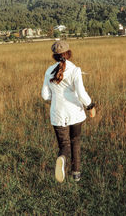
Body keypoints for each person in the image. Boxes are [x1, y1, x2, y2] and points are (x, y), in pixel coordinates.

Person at [41, 41, 96, 183]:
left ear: (55, 56)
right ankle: (76, 174)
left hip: (57, 114)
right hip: (75, 113)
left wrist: (56, 96)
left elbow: (45, 95)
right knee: (75, 142)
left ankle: (62, 158)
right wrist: (90, 106)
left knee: (64, 145)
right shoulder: (75, 70)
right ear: (68, 53)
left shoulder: (49, 71)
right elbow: (81, 92)